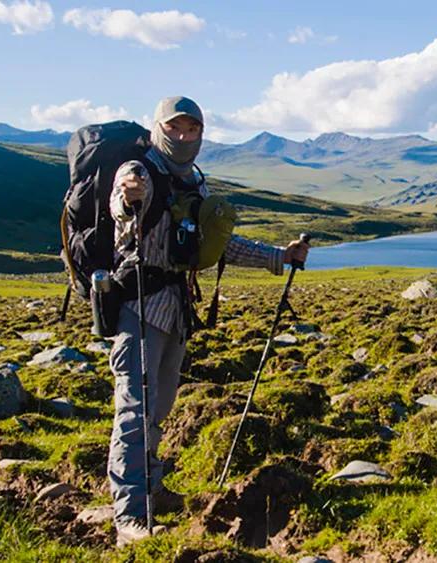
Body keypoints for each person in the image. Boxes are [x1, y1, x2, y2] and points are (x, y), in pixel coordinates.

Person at [107, 95, 309, 546]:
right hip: (138, 306)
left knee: (159, 407)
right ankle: (129, 514)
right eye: (174, 128)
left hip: (176, 310)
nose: (182, 136)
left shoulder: (193, 184)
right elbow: (121, 202)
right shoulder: (139, 169)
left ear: (200, 133)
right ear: (159, 128)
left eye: (191, 129)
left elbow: (222, 246)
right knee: (135, 409)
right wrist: (129, 198)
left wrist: (280, 256)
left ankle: (153, 488)